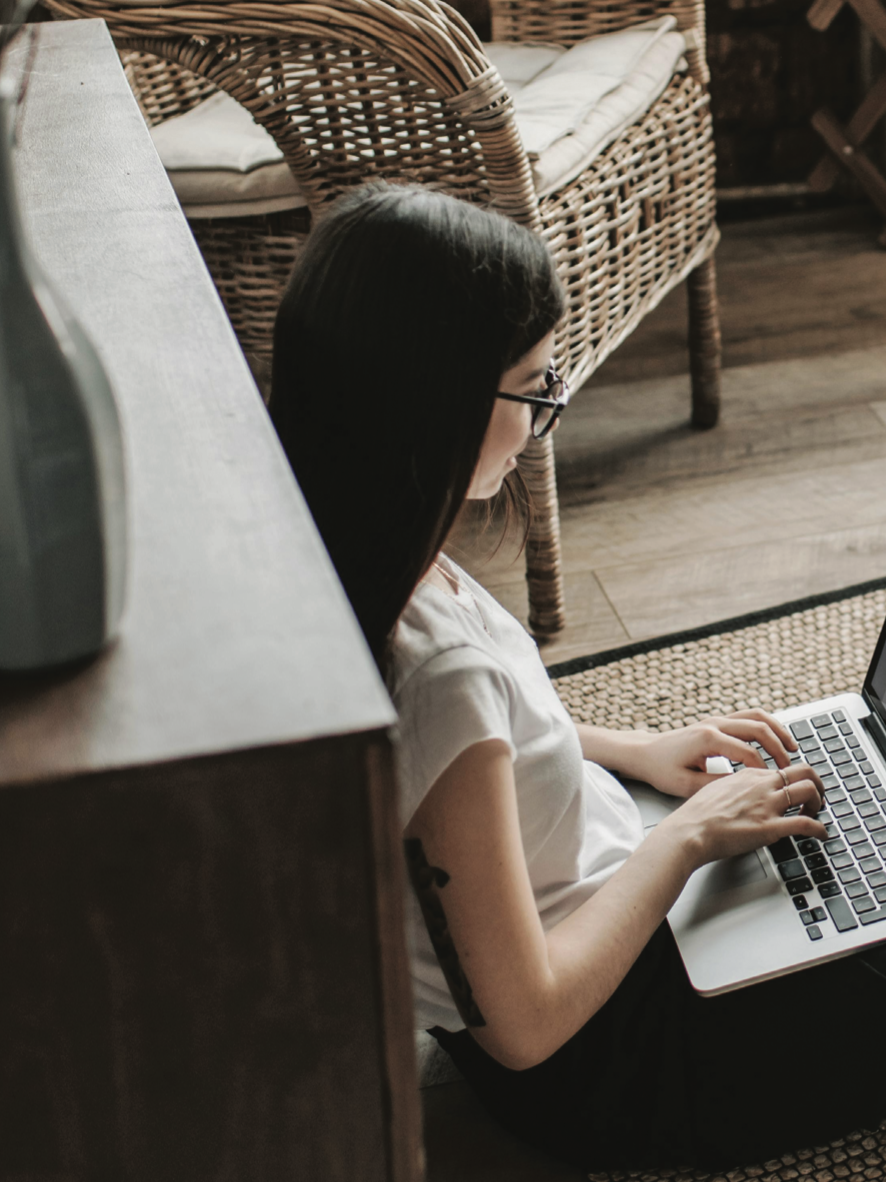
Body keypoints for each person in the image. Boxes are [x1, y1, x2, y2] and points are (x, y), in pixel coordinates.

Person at [270, 182, 886, 1173]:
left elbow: (469, 758)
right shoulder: (437, 677)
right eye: (533, 386)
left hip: (607, 945)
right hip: (620, 1054)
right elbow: (527, 1024)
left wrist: (634, 750)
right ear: (437, 400)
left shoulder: (353, 537)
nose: (549, 408)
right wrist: (684, 838)